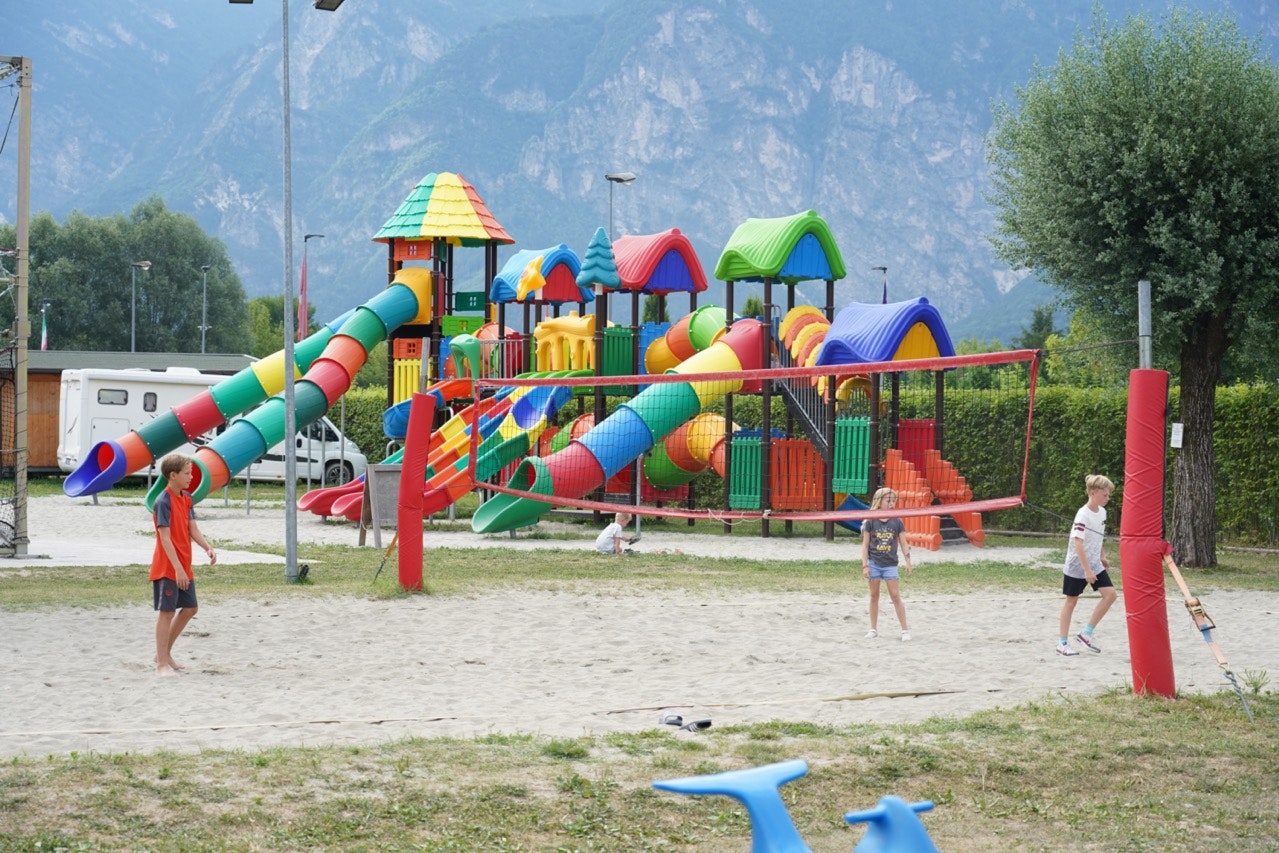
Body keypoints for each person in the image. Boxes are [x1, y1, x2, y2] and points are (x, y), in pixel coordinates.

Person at [151, 454, 216, 676]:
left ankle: (164, 653)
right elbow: (164, 538)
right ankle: (161, 664)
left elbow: (193, 529)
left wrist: (207, 547)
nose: (191, 477)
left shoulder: (187, 498)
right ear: (173, 475)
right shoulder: (163, 502)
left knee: (190, 608)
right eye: (187, 473)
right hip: (168, 567)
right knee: (166, 612)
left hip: (184, 566)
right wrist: (177, 568)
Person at [1057, 474, 1118, 656]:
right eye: (1105, 495)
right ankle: (1062, 644)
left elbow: (1097, 537)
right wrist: (1086, 570)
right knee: (1071, 601)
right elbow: (1078, 543)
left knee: (1111, 595)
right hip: (1077, 565)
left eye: (1108, 495)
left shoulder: (1102, 512)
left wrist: (1102, 556)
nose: (1108, 499)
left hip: (1094, 562)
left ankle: (1086, 634)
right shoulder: (1083, 514)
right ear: (1093, 493)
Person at [861, 487, 912, 641]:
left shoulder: (897, 520)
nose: (891, 503)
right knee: (874, 596)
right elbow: (865, 545)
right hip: (874, 563)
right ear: (879, 501)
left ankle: (905, 631)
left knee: (895, 596)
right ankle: (873, 629)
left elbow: (903, 543)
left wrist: (908, 562)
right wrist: (865, 565)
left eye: (893, 500)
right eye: (888, 500)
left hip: (890, 564)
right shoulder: (870, 520)